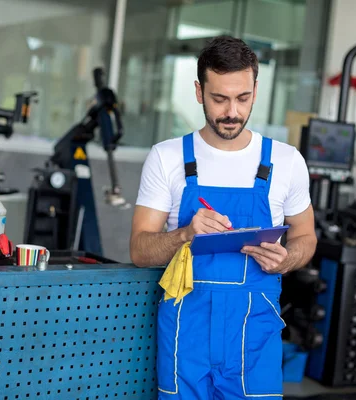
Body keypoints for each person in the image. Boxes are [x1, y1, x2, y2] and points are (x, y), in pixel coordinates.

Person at [130, 35, 317, 399]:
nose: (232, 111)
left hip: (254, 331)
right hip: (187, 330)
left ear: (256, 90)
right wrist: (184, 234)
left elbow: (306, 236)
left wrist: (287, 259)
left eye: (242, 98)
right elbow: (139, 250)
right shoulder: (167, 158)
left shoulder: (286, 161)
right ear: (199, 92)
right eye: (219, 98)